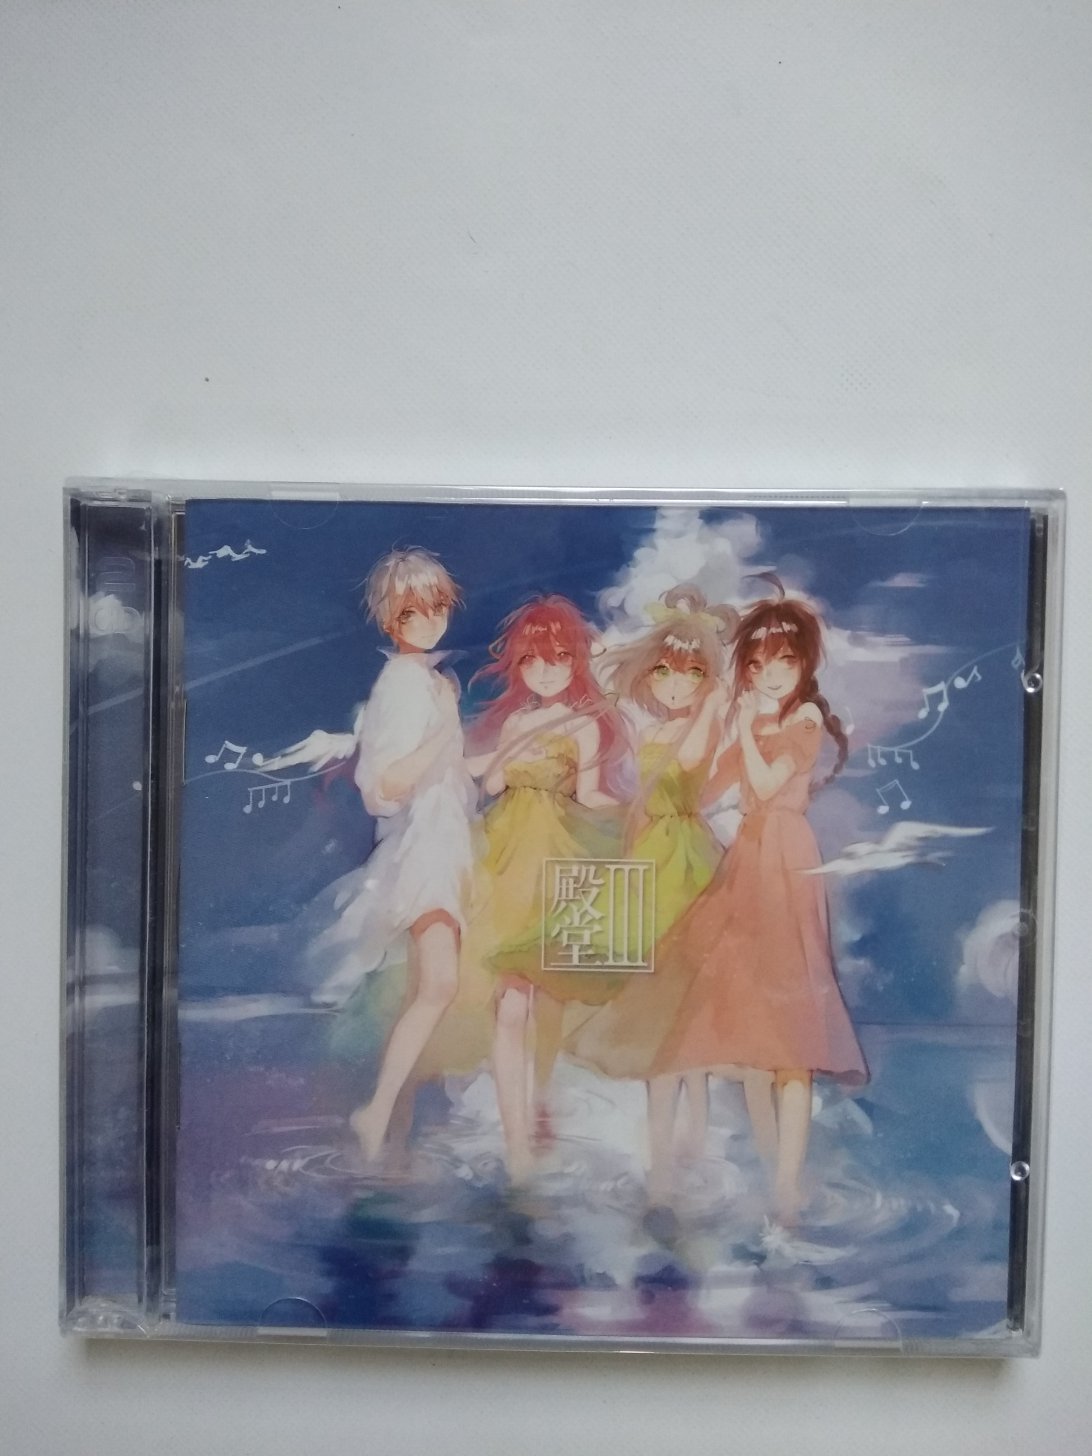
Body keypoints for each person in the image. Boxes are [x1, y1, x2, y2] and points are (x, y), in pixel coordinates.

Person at [649, 590, 867, 1224]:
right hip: (748, 857)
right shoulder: (754, 720)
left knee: (792, 1029)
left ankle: (786, 1187)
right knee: (746, 1017)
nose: (772, 674)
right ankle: (767, 1176)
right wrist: (708, 715)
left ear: (804, 665)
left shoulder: (804, 720)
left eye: (785, 662)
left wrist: (744, 726)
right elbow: (697, 789)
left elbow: (769, 785)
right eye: (760, 663)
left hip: (787, 859)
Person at [260, 548, 475, 1164]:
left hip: (448, 841)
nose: (428, 620)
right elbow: (384, 786)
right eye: (412, 612)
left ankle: (391, 1127)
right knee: (439, 983)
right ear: (390, 621)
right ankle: (376, 1113)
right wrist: (444, 730)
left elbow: (454, 774)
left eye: (436, 607)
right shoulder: (402, 683)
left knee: (419, 990)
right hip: (422, 849)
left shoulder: (429, 681)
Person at [566, 586, 747, 1201]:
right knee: (656, 1005)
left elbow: (692, 760)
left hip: (687, 858)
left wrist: (713, 698)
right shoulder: (654, 727)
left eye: (691, 674)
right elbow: (642, 797)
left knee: (683, 998)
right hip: (651, 855)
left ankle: (689, 1141)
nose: (676, 685)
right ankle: (666, 1158)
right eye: (665, 672)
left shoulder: (703, 722)